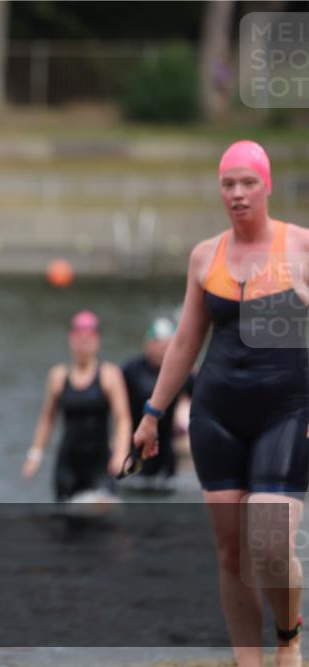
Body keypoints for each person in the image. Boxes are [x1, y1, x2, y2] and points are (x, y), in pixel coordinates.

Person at [132, 140, 309, 667]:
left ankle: (289, 635)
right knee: (232, 551)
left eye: (247, 182)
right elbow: (186, 340)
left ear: (267, 185)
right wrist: (152, 414)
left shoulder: (300, 248)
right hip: (217, 413)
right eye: (228, 184)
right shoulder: (205, 256)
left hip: (288, 409)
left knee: (271, 543)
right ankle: (247, 661)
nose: (237, 194)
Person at [23, 310, 132, 501]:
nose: (83, 344)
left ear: (97, 341)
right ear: (70, 340)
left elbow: (122, 418)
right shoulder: (58, 377)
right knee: (67, 520)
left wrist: (121, 452)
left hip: (100, 463)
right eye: (78, 338)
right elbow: (47, 418)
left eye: (88, 339)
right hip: (68, 465)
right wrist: (35, 454)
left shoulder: (109, 375)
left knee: (102, 512)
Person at [119, 316, 194, 491]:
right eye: (158, 343)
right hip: (135, 449)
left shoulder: (182, 374)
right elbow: (114, 409)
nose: (161, 349)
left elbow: (204, 402)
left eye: (166, 344)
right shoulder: (131, 370)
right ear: (148, 345)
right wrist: (118, 447)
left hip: (166, 453)